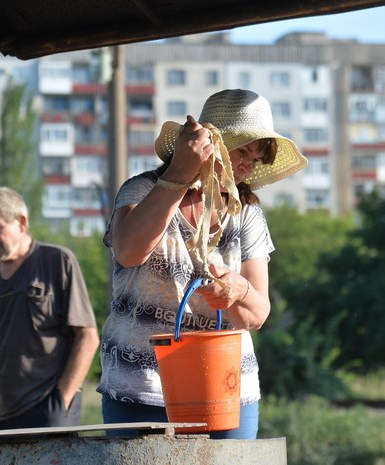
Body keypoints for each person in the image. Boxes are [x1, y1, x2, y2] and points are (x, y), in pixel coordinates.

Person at [97, 89, 308, 439]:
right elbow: (130, 251)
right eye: (243, 151)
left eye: (256, 160)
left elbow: (256, 314)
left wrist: (238, 290)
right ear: (210, 143)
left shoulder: (247, 212)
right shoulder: (141, 191)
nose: (248, 166)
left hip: (226, 390)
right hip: (142, 389)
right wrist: (180, 172)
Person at [0, 187, 100, 432]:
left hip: (45, 409)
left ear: (21, 222)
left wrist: (62, 400)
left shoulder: (57, 261)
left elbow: (88, 337)